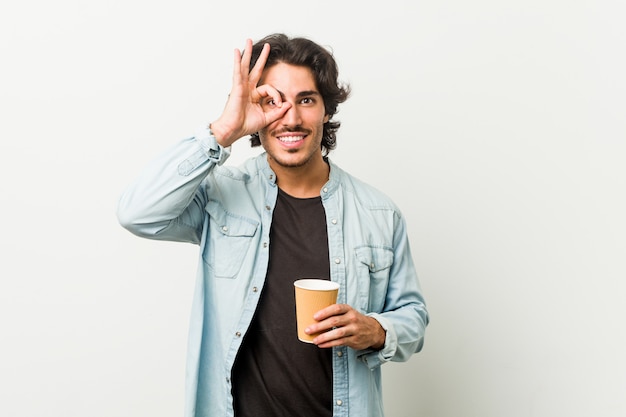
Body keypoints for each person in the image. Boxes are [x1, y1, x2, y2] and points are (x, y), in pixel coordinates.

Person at [117, 33, 429, 417]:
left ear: (327, 110)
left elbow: (412, 316)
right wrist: (223, 131)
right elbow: (137, 213)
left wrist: (376, 330)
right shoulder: (220, 196)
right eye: (273, 102)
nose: (291, 118)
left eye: (306, 100)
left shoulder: (379, 214)